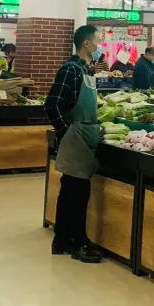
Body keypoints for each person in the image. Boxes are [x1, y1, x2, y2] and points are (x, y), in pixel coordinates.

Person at [45, 25, 103, 263]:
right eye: (98, 41)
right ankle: (79, 243)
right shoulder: (71, 70)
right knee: (78, 192)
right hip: (76, 137)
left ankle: (62, 240)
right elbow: (52, 104)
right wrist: (65, 131)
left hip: (86, 135)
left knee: (70, 190)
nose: (99, 46)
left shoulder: (86, 70)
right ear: (86, 44)